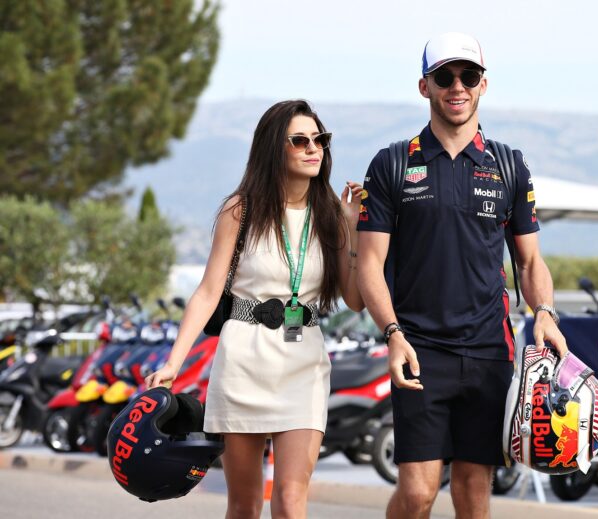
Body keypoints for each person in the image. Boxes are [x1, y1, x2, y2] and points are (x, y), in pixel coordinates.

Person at [357, 33, 568, 519]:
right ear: (424, 86)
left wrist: (546, 313)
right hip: (418, 349)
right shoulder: (391, 163)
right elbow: (369, 264)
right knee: (416, 493)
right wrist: (392, 334)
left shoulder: (510, 165)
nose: (457, 87)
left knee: (474, 494)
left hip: (489, 349)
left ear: (483, 85)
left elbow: (531, 263)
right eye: (445, 77)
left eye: (468, 76)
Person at [145, 99, 364, 519]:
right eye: (299, 140)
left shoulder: (332, 215)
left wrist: (353, 230)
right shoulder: (240, 209)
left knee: (290, 500)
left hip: (304, 363)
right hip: (243, 359)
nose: (312, 148)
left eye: (320, 139)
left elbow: (354, 299)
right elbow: (208, 292)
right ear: (273, 148)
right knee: (244, 505)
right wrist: (174, 362)